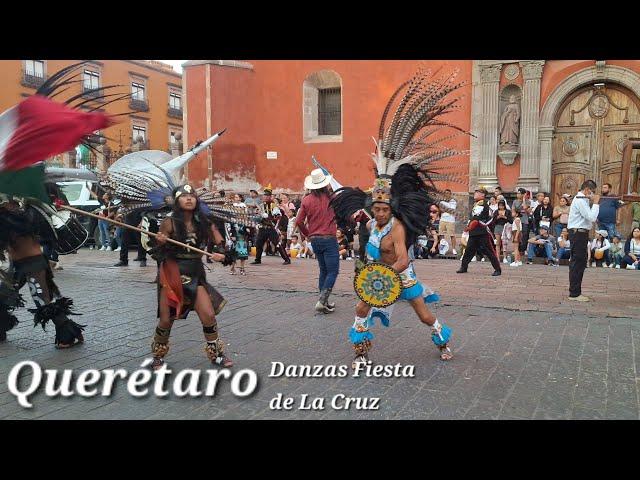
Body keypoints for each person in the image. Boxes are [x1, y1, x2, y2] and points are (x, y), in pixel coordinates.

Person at [148, 184, 235, 370]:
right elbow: (155, 250)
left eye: (192, 196)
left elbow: (220, 243)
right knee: (166, 318)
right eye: (184, 196)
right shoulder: (169, 222)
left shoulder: (204, 222)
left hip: (195, 272)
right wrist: (160, 241)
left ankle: (216, 354)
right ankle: (158, 356)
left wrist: (221, 254)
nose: (189, 199)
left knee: (209, 315)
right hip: (172, 273)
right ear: (177, 201)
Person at [0, 194, 84, 346]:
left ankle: (68, 334)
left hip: (33, 265)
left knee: (43, 300)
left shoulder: (22, 216)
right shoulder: (20, 214)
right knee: (3, 294)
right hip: (19, 266)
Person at [296, 169, 339, 313]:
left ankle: (324, 301)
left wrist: (308, 234)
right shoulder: (332, 198)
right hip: (329, 238)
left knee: (324, 270)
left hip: (315, 239)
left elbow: (299, 221)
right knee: (332, 271)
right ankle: (322, 301)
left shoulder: (306, 200)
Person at [567, 179, 600, 301]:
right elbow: (591, 217)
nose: (593, 194)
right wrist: (596, 203)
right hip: (578, 234)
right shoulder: (580, 200)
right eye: (593, 192)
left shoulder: (583, 200)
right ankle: (574, 293)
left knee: (580, 263)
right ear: (587, 190)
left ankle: (575, 291)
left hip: (580, 234)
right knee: (577, 263)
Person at [457, 188, 502, 276]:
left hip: (482, 232)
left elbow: (483, 218)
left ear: (483, 195)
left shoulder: (484, 204)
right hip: (474, 232)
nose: (475, 193)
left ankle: (498, 269)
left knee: (489, 251)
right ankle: (464, 267)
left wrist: (475, 224)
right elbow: (473, 218)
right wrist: (469, 226)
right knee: (468, 251)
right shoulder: (476, 204)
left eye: (477, 192)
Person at [251, 186, 291, 265]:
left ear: (270, 196)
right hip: (262, 227)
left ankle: (287, 259)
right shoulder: (261, 205)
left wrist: (269, 217)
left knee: (277, 244)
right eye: (264, 195)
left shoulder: (274, 206)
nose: (265, 197)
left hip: (271, 228)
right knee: (258, 243)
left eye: (267, 195)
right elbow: (257, 216)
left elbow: (278, 217)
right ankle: (257, 259)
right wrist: (259, 214)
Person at [512, 187, 532, 256]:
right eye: (517, 193)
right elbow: (513, 210)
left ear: (523, 194)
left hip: (525, 220)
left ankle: (524, 249)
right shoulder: (515, 201)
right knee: (517, 235)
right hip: (517, 219)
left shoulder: (528, 201)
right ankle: (517, 249)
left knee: (525, 235)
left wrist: (524, 199)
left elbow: (525, 208)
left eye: (519, 193)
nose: (518, 195)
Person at [438, 189, 458, 255]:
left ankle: (454, 249)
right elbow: (440, 210)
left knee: (452, 235)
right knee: (441, 234)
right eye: (445, 193)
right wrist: (447, 210)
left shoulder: (453, 201)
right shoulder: (442, 202)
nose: (446, 194)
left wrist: (445, 209)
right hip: (443, 219)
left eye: (448, 193)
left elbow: (452, 211)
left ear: (450, 194)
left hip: (451, 220)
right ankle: (442, 249)